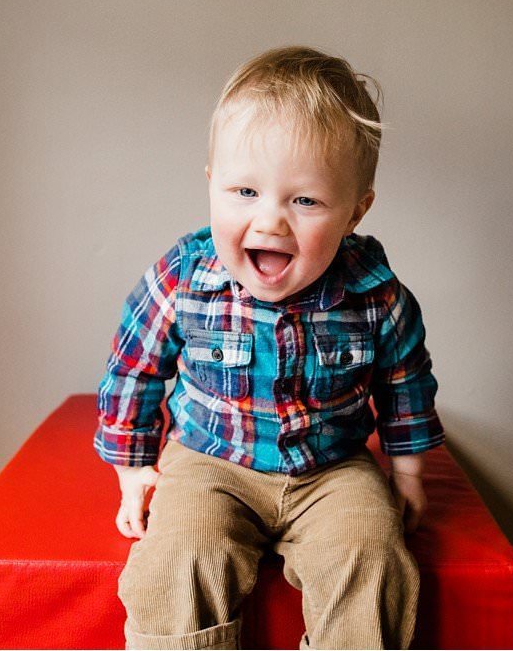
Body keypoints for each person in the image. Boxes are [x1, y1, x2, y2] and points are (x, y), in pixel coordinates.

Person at [95, 46, 443, 649]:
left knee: (372, 556)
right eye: (244, 192)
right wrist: (133, 469)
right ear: (212, 186)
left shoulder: (375, 294)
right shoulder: (185, 279)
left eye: (304, 200)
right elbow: (134, 368)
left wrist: (408, 470)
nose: (271, 222)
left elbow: (405, 383)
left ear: (355, 212)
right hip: (211, 463)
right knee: (179, 559)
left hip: (332, 469)